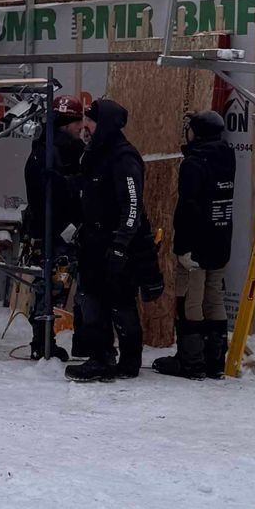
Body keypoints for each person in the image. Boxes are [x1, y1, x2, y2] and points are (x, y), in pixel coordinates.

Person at [67, 96, 154, 382]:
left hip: (115, 244)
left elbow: (132, 206)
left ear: (104, 124)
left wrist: (120, 244)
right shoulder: (93, 154)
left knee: (120, 302)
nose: (86, 127)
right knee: (93, 301)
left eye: (90, 121)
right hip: (92, 241)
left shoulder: (123, 157)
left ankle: (128, 360)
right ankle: (100, 355)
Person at [154, 107, 238, 379]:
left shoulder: (194, 163)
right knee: (214, 297)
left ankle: (191, 362)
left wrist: (183, 246)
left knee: (191, 298)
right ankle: (215, 362)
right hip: (221, 238)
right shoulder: (226, 156)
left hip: (197, 243)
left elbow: (188, 207)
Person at [19, 94, 85, 362]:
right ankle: (43, 342)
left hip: (47, 227)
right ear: (67, 123)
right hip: (53, 230)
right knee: (51, 286)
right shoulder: (57, 152)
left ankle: (43, 340)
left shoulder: (45, 149)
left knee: (48, 285)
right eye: (77, 123)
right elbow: (55, 193)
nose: (81, 129)